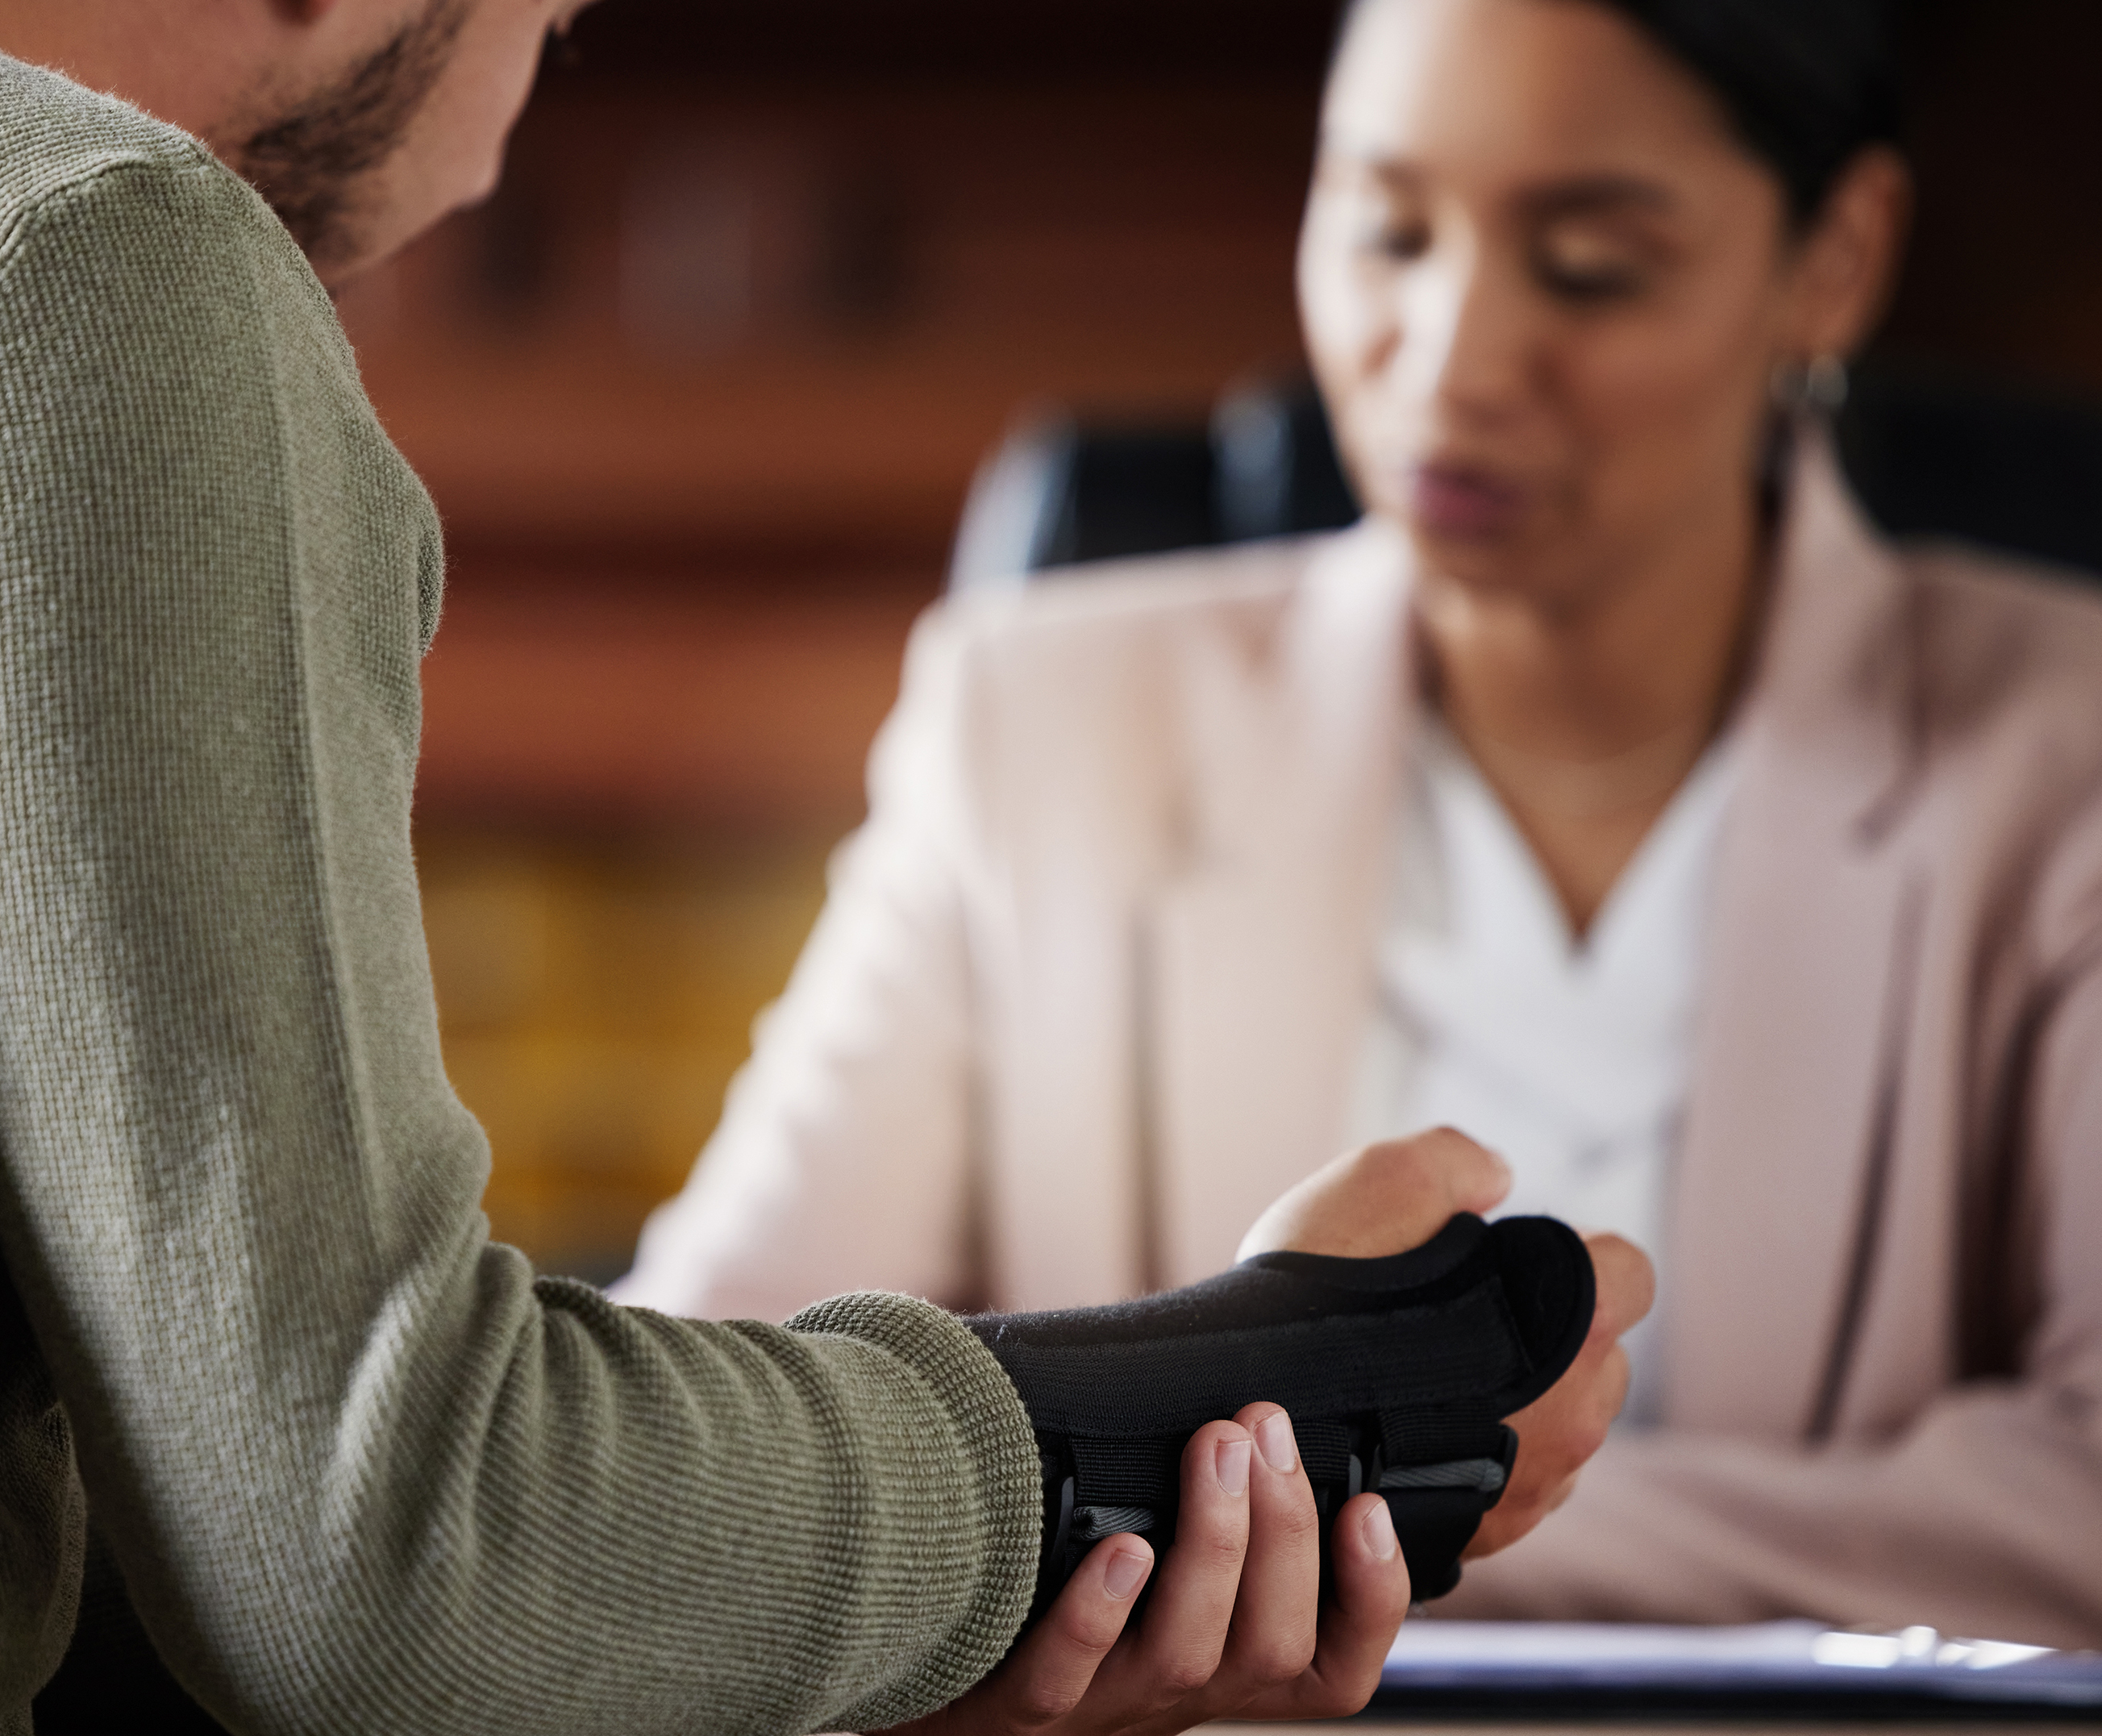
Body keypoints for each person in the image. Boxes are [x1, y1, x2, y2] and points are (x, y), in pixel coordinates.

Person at [0, 0, 1648, 1736]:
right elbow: (380, 1547)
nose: (547, 44)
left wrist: (797, 1603)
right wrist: (1323, 1380)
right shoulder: (83, 250)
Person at [617, 0, 2102, 1651]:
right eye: (1387, 229)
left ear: (1836, 256)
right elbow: (691, 1437)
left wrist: (1287, 1502)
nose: (1451, 356)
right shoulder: (1035, 724)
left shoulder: (2065, 754)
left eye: (1592, 265)